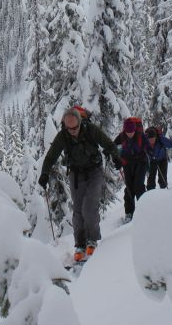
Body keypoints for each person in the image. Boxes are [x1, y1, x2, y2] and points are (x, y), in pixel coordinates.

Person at [38, 107, 122, 262]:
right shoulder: (63, 135)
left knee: (89, 207)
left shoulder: (90, 129)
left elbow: (108, 144)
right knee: (77, 210)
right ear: (65, 125)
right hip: (76, 174)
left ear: (80, 122)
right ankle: (80, 244)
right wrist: (44, 173)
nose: (72, 131)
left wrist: (116, 157)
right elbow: (51, 156)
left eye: (75, 127)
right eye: (69, 128)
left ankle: (92, 239)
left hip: (94, 171)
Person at [114, 117, 152, 223]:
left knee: (138, 186)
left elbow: (148, 147)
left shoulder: (141, 136)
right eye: (128, 132)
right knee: (129, 188)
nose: (130, 134)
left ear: (135, 130)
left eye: (132, 132)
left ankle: (144, 209)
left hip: (141, 163)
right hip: (127, 164)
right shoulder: (121, 137)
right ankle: (129, 213)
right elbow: (113, 148)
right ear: (125, 130)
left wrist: (151, 153)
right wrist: (116, 160)